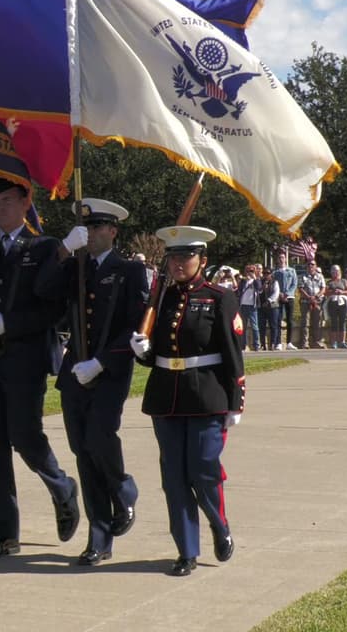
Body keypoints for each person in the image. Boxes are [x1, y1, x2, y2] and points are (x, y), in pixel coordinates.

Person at [0, 177, 79, 560]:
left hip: (25, 357)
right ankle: (7, 531)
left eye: (8, 200)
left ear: (27, 202)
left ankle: (62, 485)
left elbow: (51, 305)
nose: (0, 207)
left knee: (24, 436)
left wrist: (11, 322)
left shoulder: (44, 247)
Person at [38, 198, 147, 566]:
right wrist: (64, 249)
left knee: (100, 440)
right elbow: (43, 291)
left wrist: (101, 362)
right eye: (87, 228)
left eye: (98, 227)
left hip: (109, 372)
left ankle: (122, 487)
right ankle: (98, 537)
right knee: (82, 452)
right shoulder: (75, 267)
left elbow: (135, 324)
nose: (93, 234)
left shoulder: (129, 271)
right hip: (74, 374)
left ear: (113, 231)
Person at [130, 225, 244, 577]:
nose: (178, 263)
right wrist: (143, 352)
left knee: (203, 469)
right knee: (174, 477)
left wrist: (236, 402)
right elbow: (157, 351)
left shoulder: (219, 297)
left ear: (202, 260)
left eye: (186, 256)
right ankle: (186, 550)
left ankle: (219, 524)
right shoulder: (159, 298)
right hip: (166, 395)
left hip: (207, 396)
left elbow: (232, 352)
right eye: (173, 257)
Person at [272, 251, 298, 350]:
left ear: (285, 259)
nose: (281, 259)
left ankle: (289, 342)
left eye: (283, 257)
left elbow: (294, 284)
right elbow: (273, 284)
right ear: (278, 260)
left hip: (289, 297)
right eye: (280, 258)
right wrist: (280, 294)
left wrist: (287, 293)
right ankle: (278, 342)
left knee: (289, 320)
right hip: (279, 297)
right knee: (278, 320)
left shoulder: (291, 271)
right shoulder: (275, 272)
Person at [297, 262, 325, 349]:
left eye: (312, 264)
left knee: (317, 322)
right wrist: (309, 297)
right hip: (305, 302)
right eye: (309, 265)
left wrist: (316, 296)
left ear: (316, 266)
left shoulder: (320, 276)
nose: (310, 266)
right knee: (305, 322)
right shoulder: (302, 276)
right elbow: (300, 289)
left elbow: (323, 288)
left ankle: (317, 342)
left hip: (317, 302)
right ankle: (305, 343)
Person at [323, 265, 347, 349]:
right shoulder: (329, 282)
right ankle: (333, 342)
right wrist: (333, 292)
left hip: (342, 303)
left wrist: (342, 292)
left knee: (342, 322)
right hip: (333, 303)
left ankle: (342, 341)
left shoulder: (344, 281)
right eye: (333, 271)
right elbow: (325, 292)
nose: (335, 273)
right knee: (334, 322)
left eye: (337, 271)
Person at [239, 265, 262, 352]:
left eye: (252, 271)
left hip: (252, 306)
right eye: (249, 271)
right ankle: (243, 345)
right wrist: (246, 280)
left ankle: (256, 345)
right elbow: (239, 290)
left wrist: (254, 278)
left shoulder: (256, 280)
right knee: (243, 327)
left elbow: (259, 288)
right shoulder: (243, 281)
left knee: (254, 326)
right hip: (243, 305)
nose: (250, 273)